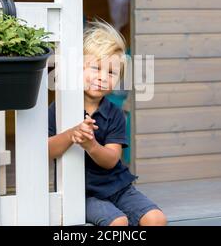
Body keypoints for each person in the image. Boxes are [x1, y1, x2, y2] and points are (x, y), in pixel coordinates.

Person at [48, 19, 167, 226]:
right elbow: (46, 150)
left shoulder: (114, 113)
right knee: (118, 222)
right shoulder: (60, 109)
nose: (103, 77)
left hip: (118, 187)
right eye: (95, 68)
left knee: (156, 219)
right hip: (84, 193)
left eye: (111, 72)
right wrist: (71, 135)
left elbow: (112, 159)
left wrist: (91, 145)